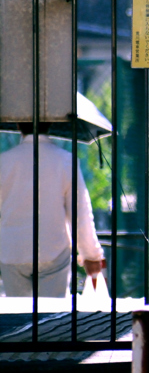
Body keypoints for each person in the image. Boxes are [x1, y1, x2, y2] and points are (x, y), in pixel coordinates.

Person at [0, 123, 105, 297]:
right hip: (53, 251)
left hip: (12, 252)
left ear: (18, 125)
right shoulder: (66, 160)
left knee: (18, 317)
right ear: (50, 124)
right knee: (50, 317)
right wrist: (91, 254)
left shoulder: (4, 161)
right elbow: (80, 212)